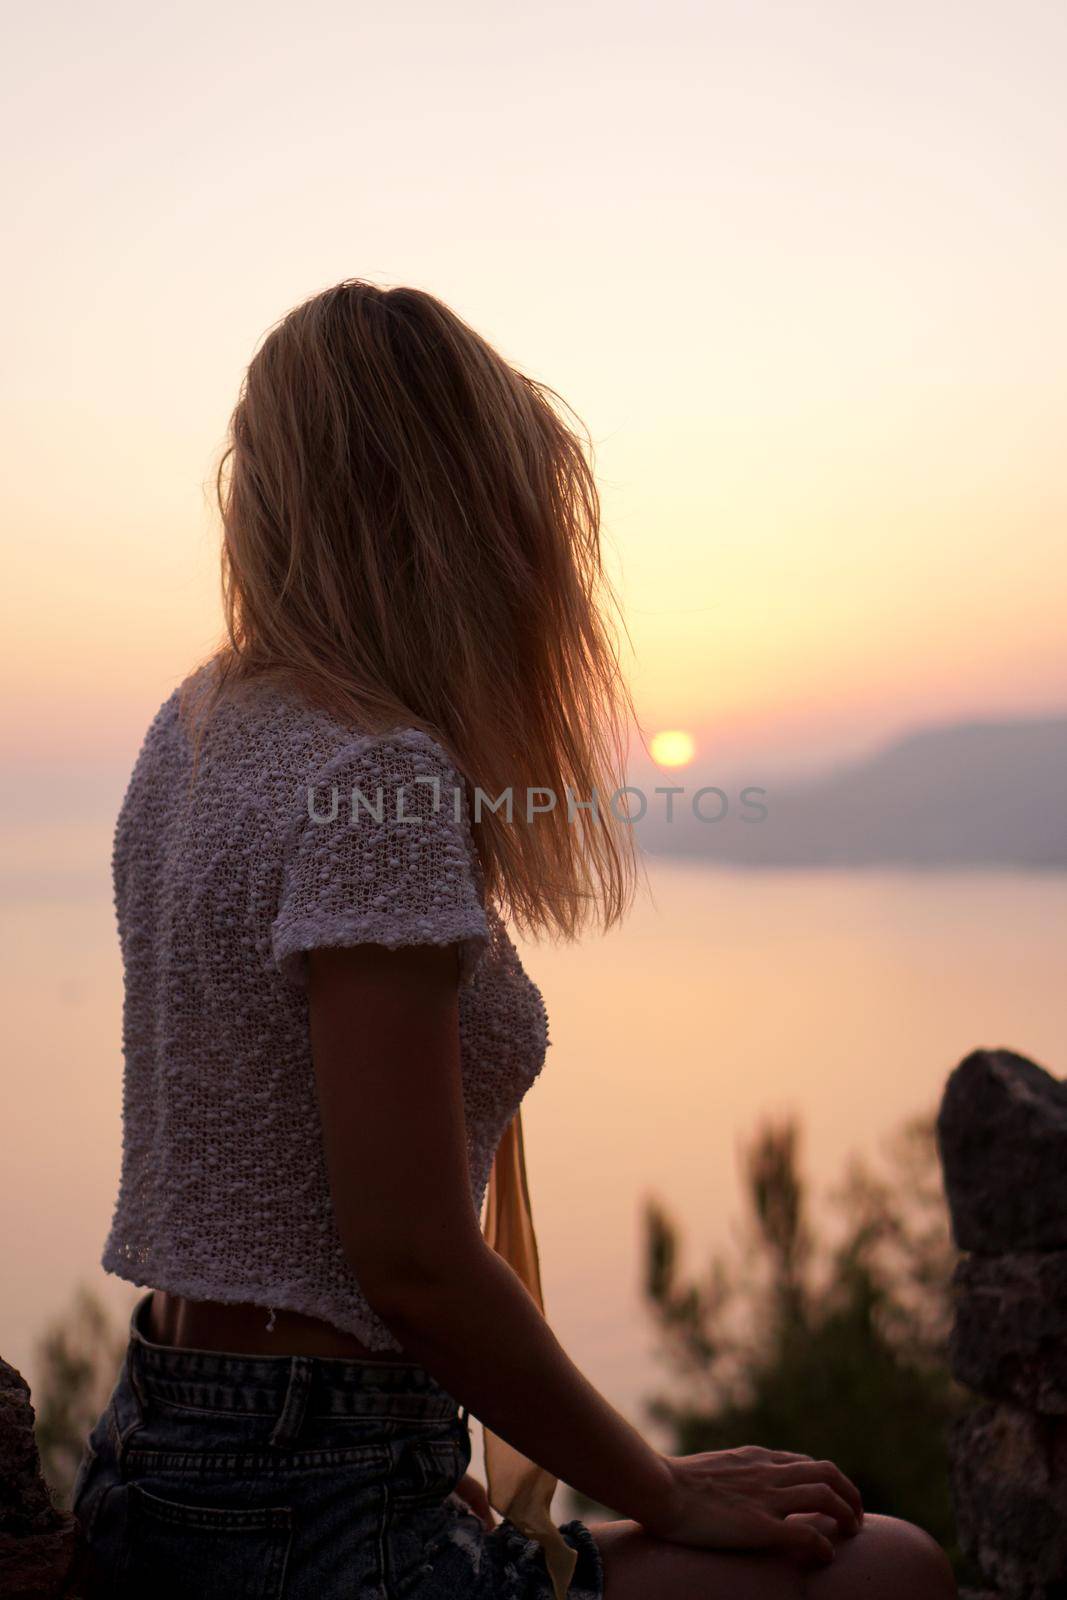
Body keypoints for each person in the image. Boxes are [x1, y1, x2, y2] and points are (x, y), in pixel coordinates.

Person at [72, 279, 956, 1600]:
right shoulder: (378, 778)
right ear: (452, 515)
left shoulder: (193, 732)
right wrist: (658, 1486)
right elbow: (410, 1255)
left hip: (168, 1445)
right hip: (312, 1506)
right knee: (887, 1568)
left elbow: (263, 1153)